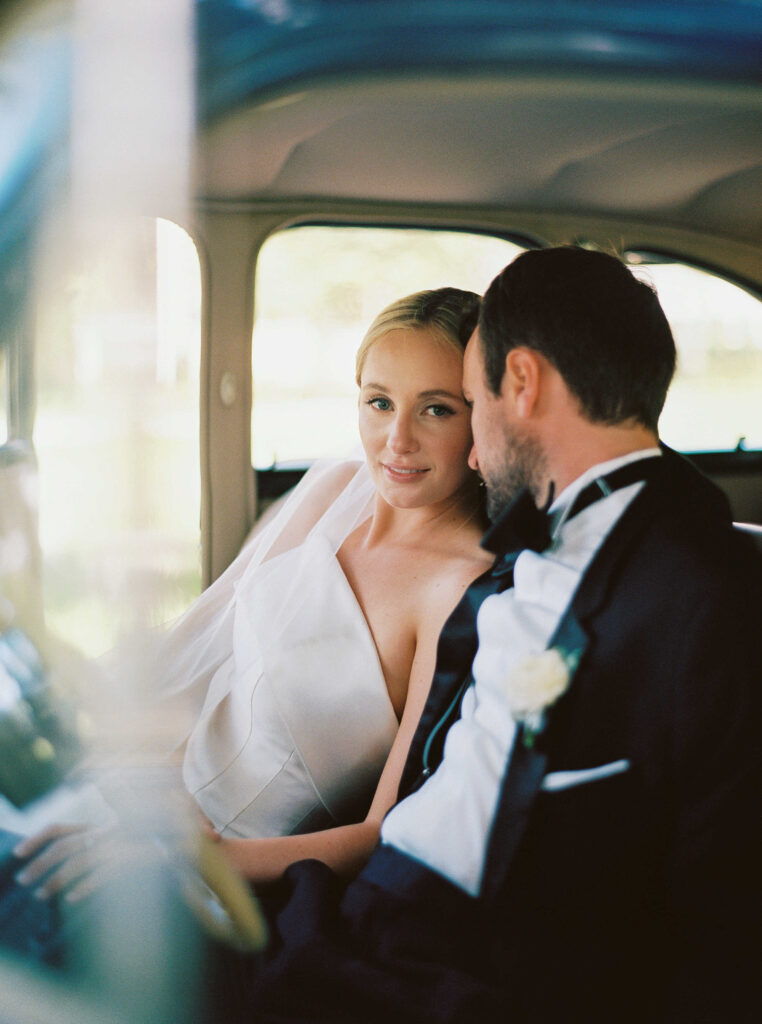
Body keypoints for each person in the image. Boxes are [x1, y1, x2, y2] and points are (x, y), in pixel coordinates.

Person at [214, 246, 762, 1024]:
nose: (470, 453)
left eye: (464, 403)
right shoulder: (542, 540)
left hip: (432, 967)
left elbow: (725, 898)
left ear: (524, 384)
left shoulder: (694, 586)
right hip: (347, 917)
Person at [8, 286, 495, 906]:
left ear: (482, 418)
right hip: (152, 800)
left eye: (436, 410)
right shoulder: (335, 491)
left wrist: (192, 857)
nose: (396, 439)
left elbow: (383, 833)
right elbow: (211, 661)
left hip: (238, 875)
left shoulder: (461, 588)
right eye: (379, 402)